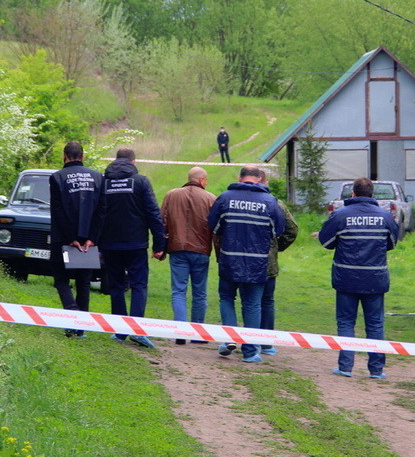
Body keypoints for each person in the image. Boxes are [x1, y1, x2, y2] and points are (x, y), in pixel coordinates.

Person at [318, 176, 399, 379]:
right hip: (375, 279)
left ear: (353, 193)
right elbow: (391, 243)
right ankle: (376, 370)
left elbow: (326, 242)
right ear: (372, 194)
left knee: (346, 322)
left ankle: (345, 367)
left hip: (346, 278)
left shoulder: (340, 215)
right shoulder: (386, 216)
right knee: (375, 324)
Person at [208, 165, 285, 363]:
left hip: (229, 259)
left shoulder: (225, 198)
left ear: (239, 177)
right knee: (252, 304)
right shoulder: (270, 201)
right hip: (257, 262)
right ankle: (250, 352)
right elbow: (278, 231)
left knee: (227, 298)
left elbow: (214, 227)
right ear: (259, 179)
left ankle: (229, 339)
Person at [100, 148, 167, 348]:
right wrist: (159, 244)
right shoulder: (141, 181)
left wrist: (95, 240)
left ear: (115, 160)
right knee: (138, 286)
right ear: (133, 161)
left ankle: (120, 332)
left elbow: (97, 213)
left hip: (110, 244)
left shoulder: (104, 182)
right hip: (136, 244)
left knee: (116, 286)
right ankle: (136, 330)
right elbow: (153, 213)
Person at [49, 141, 105, 338]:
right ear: (82, 156)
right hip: (88, 239)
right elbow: (101, 210)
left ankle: (72, 311)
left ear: (65, 156)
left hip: (62, 238)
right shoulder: (98, 177)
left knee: (61, 279)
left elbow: (58, 211)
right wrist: (92, 238)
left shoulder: (57, 177)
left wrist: (70, 238)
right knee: (84, 282)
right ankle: (79, 328)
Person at [160, 166, 217, 345]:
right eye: (206, 180)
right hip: (201, 251)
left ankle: (181, 332)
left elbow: (162, 223)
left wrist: (161, 248)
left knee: (178, 291)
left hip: (177, 249)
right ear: (201, 180)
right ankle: (197, 333)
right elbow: (216, 229)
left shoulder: (171, 195)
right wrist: (219, 254)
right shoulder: (210, 198)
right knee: (200, 293)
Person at [257, 169, 298, 356]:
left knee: (248, 302)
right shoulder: (276, 204)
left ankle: (246, 341)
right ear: (265, 183)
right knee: (267, 301)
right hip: (268, 262)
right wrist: (277, 246)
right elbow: (292, 229)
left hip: (242, 261)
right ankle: (266, 344)